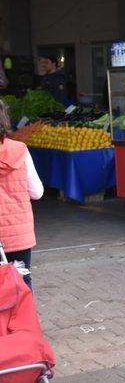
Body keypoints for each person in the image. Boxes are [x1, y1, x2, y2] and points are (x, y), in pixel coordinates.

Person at [0, 99, 44, 288]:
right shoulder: (20, 150)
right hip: (18, 234)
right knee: (21, 287)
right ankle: (20, 319)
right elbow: (37, 192)